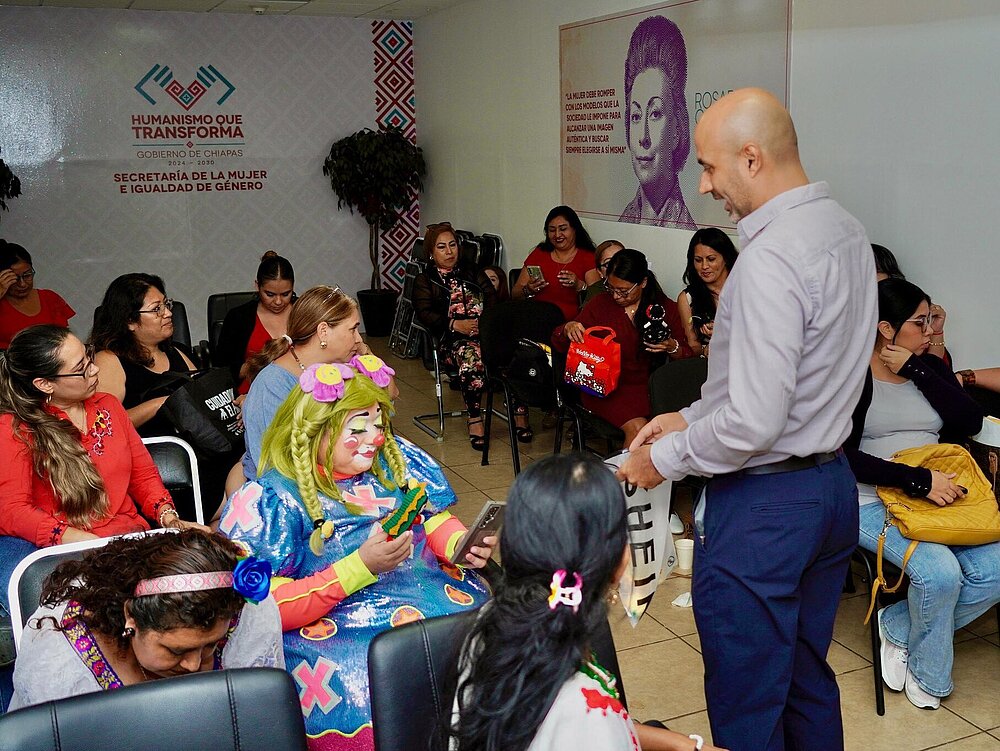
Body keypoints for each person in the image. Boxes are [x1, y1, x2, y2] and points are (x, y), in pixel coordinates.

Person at [616, 88, 877, 750]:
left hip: (766, 507)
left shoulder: (769, 259)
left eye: (709, 167)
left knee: (748, 699)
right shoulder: (846, 231)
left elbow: (755, 422)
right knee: (805, 676)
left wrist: (662, 458)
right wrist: (686, 417)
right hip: (829, 489)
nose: (705, 186)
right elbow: (786, 382)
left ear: (752, 158)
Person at [219, 358, 493, 750]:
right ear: (317, 431)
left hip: (430, 592)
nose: (375, 438)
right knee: (370, 682)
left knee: (489, 636)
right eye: (358, 428)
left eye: (379, 425)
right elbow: (265, 609)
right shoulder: (274, 498)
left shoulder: (393, 463)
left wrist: (459, 545)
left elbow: (432, 519)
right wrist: (359, 567)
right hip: (339, 628)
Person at [446, 452, 725, 751]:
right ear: (619, 561)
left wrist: (682, 744)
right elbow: (586, 722)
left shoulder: (490, 622)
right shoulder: (586, 714)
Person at [846, 278, 999, 710]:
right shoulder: (852, 376)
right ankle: (931, 681)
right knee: (941, 574)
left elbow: (969, 421)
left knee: (996, 567)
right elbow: (842, 456)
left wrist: (916, 368)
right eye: (920, 321)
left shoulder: (927, 368)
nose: (931, 329)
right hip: (872, 499)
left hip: (938, 496)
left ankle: (896, 627)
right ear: (885, 329)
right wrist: (917, 480)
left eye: (930, 319)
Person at [0, 325, 204, 616]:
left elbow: (143, 475)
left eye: (88, 357)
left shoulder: (108, 406)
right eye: (81, 369)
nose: (94, 369)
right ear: (45, 384)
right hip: (69, 554)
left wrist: (168, 517)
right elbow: (12, 511)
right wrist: (80, 540)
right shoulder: (16, 429)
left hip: (129, 542)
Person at [9, 529, 283, 710]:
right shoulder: (61, 664)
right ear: (131, 616)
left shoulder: (246, 619)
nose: (194, 665)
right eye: (176, 650)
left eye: (211, 645)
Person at [552, 249, 692, 447]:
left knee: (673, 426)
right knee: (639, 429)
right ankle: (626, 468)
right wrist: (568, 328)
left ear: (643, 283)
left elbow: (687, 355)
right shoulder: (600, 304)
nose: (616, 296)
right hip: (606, 387)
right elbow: (558, 340)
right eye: (611, 288)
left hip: (650, 387)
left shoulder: (663, 308)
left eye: (624, 291)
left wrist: (671, 346)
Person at [239, 285, 365, 482]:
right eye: (353, 329)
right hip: (288, 488)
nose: (358, 339)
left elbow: (385, 405)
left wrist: (367, 357)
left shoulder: (340, 369)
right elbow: (274, 466)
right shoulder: (272, 385)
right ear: (323, 331)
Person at [413, 223, 496, 449]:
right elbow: (424, 314)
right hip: (450, 340)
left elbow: (492, 298)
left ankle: (519, 414)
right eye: (442, 247)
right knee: (471, 356)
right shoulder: (425, 279)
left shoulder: (472, 271)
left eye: (453, 245)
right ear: (431, 253)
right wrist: (454, 324)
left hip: (485, 334)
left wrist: (484, 324)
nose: (449, 252)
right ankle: (475, 418)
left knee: (514, 350)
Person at [91, 273, 197, 435]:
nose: (168, 313)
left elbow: (201, 396)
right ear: (130, 321)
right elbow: (105, 424)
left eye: (166, 304)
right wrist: (161, 404)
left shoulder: (177, 350)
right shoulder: (109, 360)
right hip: (151, 447)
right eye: (156, 309)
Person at [618, 16, 695, 229]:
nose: (643, 137)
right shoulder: (625, 220)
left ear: (677, 130)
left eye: (655, 114)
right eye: (635, 116)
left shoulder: (684, 229)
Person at [217, 251, 295, 394]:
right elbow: (222, 371)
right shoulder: (238, 317)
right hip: (250, 394)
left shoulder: (305, 312)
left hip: (300, 392)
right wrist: (260, 363)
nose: (278, 301)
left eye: (285, 294)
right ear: (257, 286)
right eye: (270, 294)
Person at [511, 206, 596, 321]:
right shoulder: (539, 254)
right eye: (552, 230)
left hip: (571, 324)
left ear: (575, 229)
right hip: (536, 319)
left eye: (563, 229)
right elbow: (515, 293)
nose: (557, 235)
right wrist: (528, 289)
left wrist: (579, 285)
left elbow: (597, 298)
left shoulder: (588, 257)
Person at [0, 241, 75, 350]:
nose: (22, 284)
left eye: (27, 275)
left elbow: (64, 339)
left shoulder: (49, 298)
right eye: (14, 279)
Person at [676, 229, 738, 357]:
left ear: (726, 258)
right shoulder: (687, 298)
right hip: (708, 363)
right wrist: (706, 350)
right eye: (698, 260)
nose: (704, 266)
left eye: (711, 259)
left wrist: (724, 333)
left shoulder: (744, 288)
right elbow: (693, 346)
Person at [582, 239, 625, 304]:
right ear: (600, 272)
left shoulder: (639, 284)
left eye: (621, 261)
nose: (616, 267)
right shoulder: (595, 292)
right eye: (608, 263)